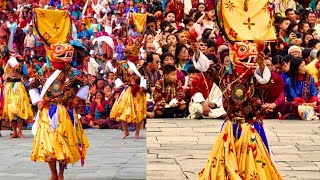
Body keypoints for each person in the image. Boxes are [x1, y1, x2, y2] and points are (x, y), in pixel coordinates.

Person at [29, 43, 89, 180]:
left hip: (65, 111)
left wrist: (77, 98)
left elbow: (86, 83)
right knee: (48, 143)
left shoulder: (73, 71)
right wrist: (38, 100)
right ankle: (53, 174)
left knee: (63, 143)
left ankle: (61, 174)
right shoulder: (45, 70)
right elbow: (32, 85)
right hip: (47, 110)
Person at [110, 37, 147, 139]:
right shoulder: (122, 64)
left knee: (139, 111)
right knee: (121, 110)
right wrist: (120, 84)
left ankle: (137, 132)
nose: (129, 56)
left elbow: (146, 76)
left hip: (139, 90)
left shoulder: (142, 64)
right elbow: (117, 76)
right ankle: (125, 131)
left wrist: (142, 87)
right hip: (126, 89)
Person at [2, 55, 34, 138]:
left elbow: (26, 75)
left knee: (20, 109)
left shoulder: (22, 64)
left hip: (19, 85)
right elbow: (4, 74)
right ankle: (14, 132)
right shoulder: (8, 64)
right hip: (9, 86)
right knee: (11, 109)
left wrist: (21, 68)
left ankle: (19, 131)